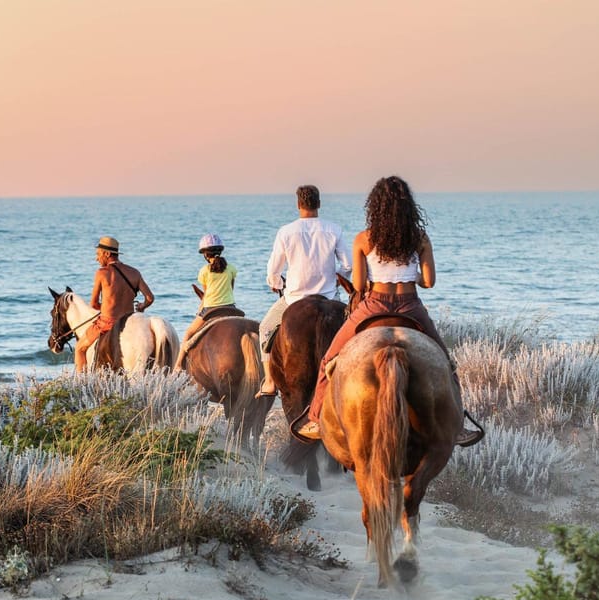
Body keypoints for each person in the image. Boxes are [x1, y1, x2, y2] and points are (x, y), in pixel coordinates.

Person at [299, 176, 482, 446]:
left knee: (329, 359)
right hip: (411, 306)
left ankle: (315, 419)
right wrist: (413, 276)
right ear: (408, 206)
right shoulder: (419, 237)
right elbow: (429, 282)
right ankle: (457, 426)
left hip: (374, 305)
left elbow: (359, 284)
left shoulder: (364, 239)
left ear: (375, 206)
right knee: (446, 364)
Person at [257, 185, 351, 397]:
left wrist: (276, 283)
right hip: (329, 298)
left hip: (294, 299)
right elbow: (348, 265)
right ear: (319, 203)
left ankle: (270, 382)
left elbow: (274, 270)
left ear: (298, 204)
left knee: (265, 328)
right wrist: (336, 282)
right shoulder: (334, 229)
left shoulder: (286, 232)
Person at [74, 235, 155, 372]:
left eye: (98, 254)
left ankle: (82, 382)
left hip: (108, 323)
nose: (97, 258)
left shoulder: (102, 273)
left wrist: (106, 309)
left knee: (80, 349)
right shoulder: (134, 272)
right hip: (128, 321)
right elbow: (150, 298)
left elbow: (93, 303)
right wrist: (142, 306)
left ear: (107, 254)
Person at [174, 233, 238, 369]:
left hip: (211, 309)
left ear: (205, 254)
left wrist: (199, 310)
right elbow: (231, 290)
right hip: (231, 308)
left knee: (188, 333)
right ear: (220, 251)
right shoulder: (231, 268)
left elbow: (206, 295)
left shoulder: (204, 271)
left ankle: (178, 365)